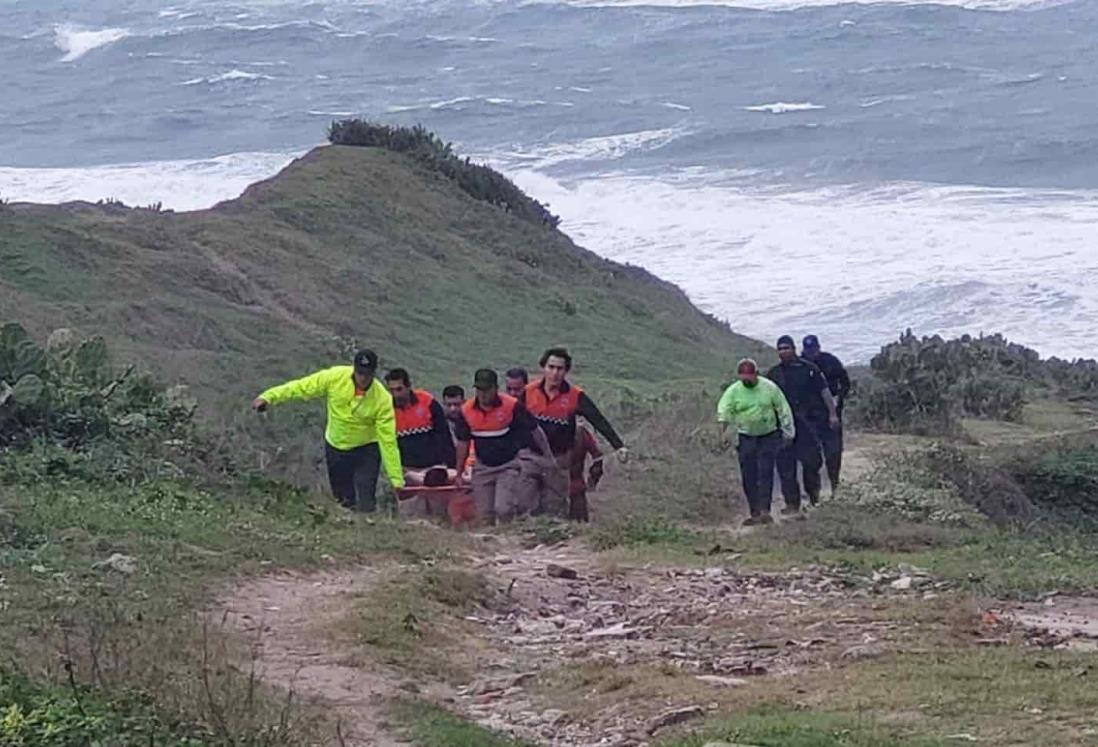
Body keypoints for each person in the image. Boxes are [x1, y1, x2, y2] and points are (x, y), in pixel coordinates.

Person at [252, 349, 403, 512]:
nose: (363, 378)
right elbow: (302, 387)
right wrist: (268, 397)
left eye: (367, 374)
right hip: (336, 447)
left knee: (366, 499)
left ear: (373, 373)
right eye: (360, 373)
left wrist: (397, 481)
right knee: (343, 499)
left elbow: (388, 441)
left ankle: (368, 528)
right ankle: (348, 532)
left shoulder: (382, 399)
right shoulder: (334, 377)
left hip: (366, 450)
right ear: (354, 369)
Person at [523, 347, 628, 514]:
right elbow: (512, 420)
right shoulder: (528, 392)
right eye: (551, 367)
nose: (555, 373)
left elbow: (598, 419)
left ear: (566, 371)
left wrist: (618, 445)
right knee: (525, 505)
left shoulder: (575, 396)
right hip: (531, 457)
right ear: (543, 367)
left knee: (555, 509)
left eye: (560, 368)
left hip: (559, 460)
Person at [452, 369, 554, 523]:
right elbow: (463, 444)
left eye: (487, 389)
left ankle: (509, 537)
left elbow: (535, 430)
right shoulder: (466, 412)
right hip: (482, 468)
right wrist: (459, 473)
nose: (483, 394)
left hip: (508, 466)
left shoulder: (512, 406)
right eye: (479, 390)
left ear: (495, 388)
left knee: (503, 508)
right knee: (484, 514)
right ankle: (492, 544)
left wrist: (547, 455)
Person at [717, 359, 796, 526]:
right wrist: (724, 434)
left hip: (768, 435)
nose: (746, 380)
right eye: (743, 377)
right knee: (748, 474)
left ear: (756, 374)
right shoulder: (733, 391)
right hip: (746, 437)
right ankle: (754, 512)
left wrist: (789, 432)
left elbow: (783, 409)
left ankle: (765, 511)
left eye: (749, 376)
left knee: (765, 471)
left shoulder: (769, 388)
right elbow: (724, 413)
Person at [767, 336, 840, 513]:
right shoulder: (774, 374)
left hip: (807, 423)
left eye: (786, 348)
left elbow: (825, 392)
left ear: (793, 349)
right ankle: (792, 503)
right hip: (783, 425)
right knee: (785, 465)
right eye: (780, 348)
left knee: (811, 461)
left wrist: (832, 414)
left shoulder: (809, 369)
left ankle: (813, 497)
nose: (783, 351)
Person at [384, 368, 457, 483]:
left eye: (399, 389)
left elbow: (444, 435)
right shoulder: (386, 410)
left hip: (435, 468)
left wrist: (453, 466)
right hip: (407, 470)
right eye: (391, 390)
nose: (396, 395)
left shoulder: (427, 401)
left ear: (408, 386)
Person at [801, 335, 851, 492]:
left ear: (818, 347)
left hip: (831, 413)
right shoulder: (800, 364)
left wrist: (839, 399)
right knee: (810, 455)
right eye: (808, 350)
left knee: (833, 451)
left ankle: (835, 485)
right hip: (809, 415)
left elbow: (845, 382)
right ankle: (812, 492)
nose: (812, 353)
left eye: (814, 349)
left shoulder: (831, 361)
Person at [568, 422, 604, 522]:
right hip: (576, 489)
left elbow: (598, 458)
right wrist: (593, 479)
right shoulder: (580, 432)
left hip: (552, 491)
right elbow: (598, 457)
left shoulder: (542, 426)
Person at [442, 384, 475, 480]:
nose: (453, 409)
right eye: (449, 405)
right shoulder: (438, 424)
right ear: (443, 404)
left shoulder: (473, 420)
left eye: (457, 405)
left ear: (464, 402)